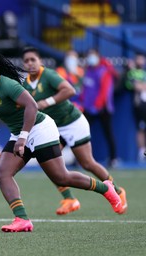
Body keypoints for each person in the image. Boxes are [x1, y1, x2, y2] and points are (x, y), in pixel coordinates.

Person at [0, 51, 123, 232]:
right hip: (20, 133)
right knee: (2, 173)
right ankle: (22, 219)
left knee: (61, 177)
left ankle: (105, 188)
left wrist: (23, 137)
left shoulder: (7, 84)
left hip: (40, 128)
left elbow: (32, 106)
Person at [21, 46, 127, 215]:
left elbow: (69, 90)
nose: (30, 63)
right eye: (26, 61)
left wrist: (46, 102)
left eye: (33, 59)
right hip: (54, 128)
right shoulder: (25, 84)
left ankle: (117, 191)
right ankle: (70, 199)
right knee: (49, 164)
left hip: (72, 122)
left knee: (87, 163)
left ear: (40, 61)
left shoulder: (48, 75)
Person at [82, 49, 118, 168]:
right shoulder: (88, 70)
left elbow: (105, 90)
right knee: (82, 133)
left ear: (98, 56)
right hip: (88, 108)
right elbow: (86, 89)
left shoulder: (104, 71)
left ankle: (113, 159)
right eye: (89, 55)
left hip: (103, 108)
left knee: (108, 133)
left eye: (93, 55)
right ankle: (81, 158)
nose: (91, 57)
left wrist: (98, 105)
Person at [124, 53, 146, 162]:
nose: (140, 61)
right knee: (141, 128)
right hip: (140, 106)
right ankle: (142, 153)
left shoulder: (144, 72)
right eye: (139, 58)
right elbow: (134, 85)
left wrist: (141, 85)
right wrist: (140, 85)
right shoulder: (132, 72)